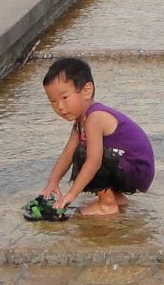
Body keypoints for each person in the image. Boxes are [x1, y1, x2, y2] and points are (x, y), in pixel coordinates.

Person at [34, 55, 156, 218]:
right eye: (53, 101)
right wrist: (52, 182)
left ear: (87, 90)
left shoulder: (94, 118)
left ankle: (107, 205)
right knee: (79, 150)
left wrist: (71, 195)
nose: (60, 107)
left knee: (85, 154)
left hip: (137, 169)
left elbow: (94, 161)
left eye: (64, 98)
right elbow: (67, 154)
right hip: (127, 165)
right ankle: (116, 198)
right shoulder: (80, 121)